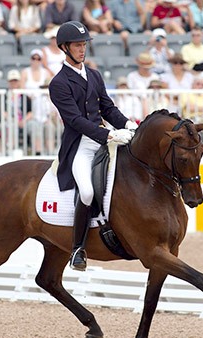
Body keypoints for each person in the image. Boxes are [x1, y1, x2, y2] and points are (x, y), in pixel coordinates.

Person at [48, 21, 136, 271]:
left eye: (84, 44)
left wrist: (129, 125)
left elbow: (107, 108)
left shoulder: (94, 75)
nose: (82, 49)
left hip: (106, 139)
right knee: (86, 192)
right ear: (64, 48)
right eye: (77, 45)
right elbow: (75, 121)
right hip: (81, 146)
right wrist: (107, 135)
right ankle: (77, 248)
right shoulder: (59, 83)